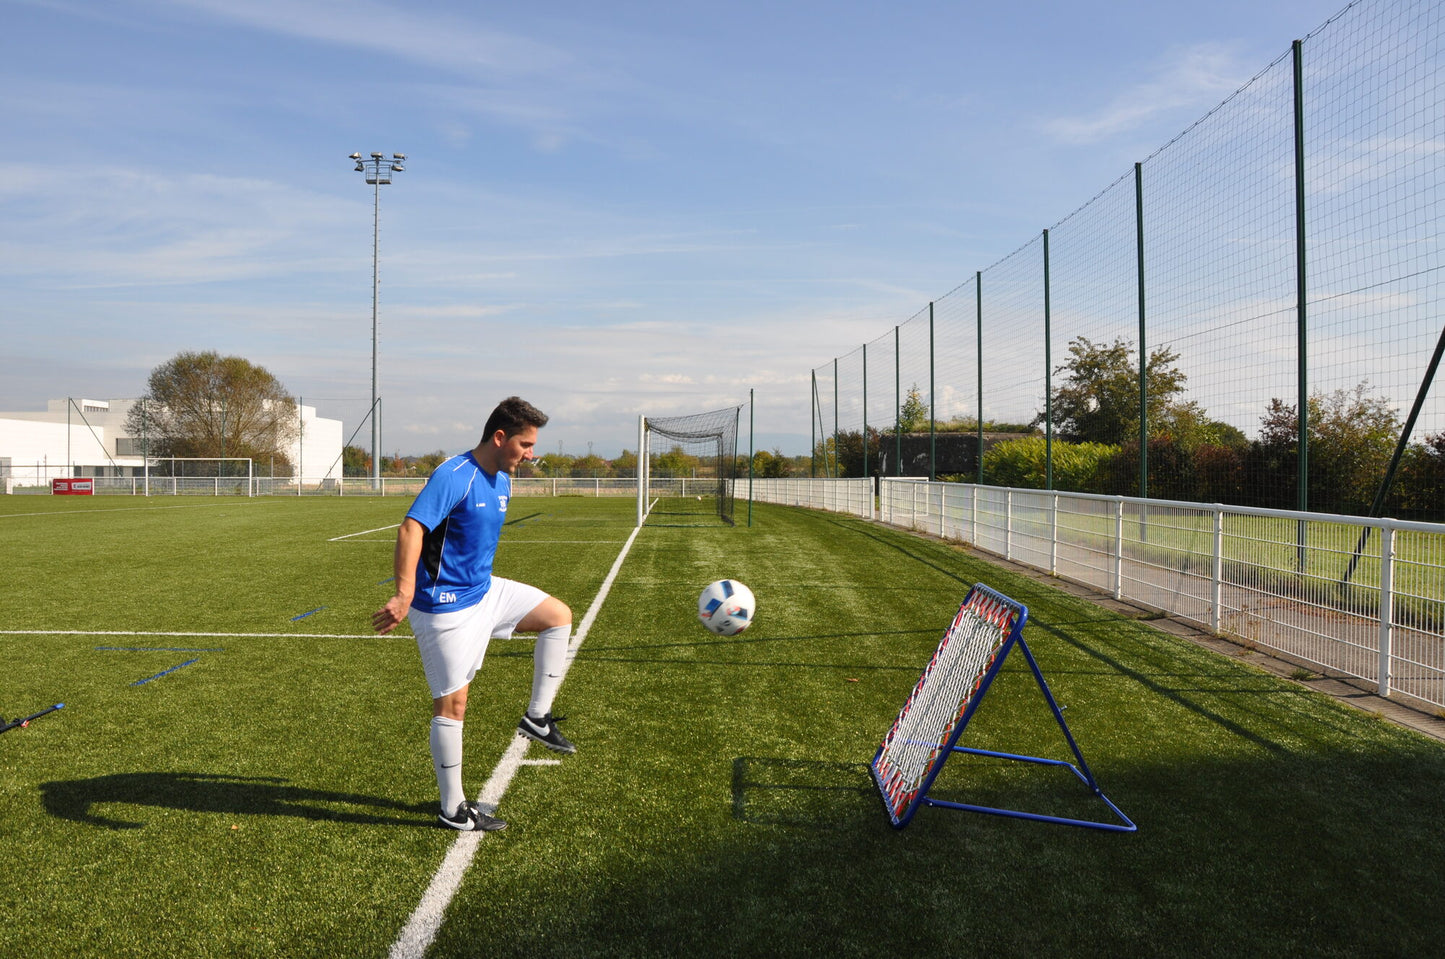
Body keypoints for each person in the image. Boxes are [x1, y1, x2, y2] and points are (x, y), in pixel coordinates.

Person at [372, 396, 574, 832]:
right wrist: (404, 593)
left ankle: (536, 718)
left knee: (558, 615)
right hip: (444, 607)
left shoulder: (503, 478)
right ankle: (453, 808)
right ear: (500, 437)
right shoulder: (454, 475)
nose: (530, 454)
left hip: (485, 593)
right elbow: (411, 528)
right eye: (525, 444)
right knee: (452, 704)